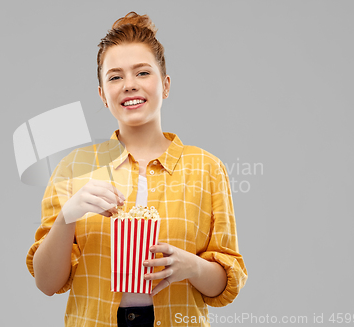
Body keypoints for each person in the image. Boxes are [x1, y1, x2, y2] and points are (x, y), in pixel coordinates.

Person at [27, 11, 248, 327]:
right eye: (115, 77)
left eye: (142, 73)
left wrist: (192, 267)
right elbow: (47, 283)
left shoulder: (206, 168)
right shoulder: (73, 168)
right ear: (103, 95)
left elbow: (228, 283)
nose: (129, 85)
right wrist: (68, 215)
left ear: (166, 85)